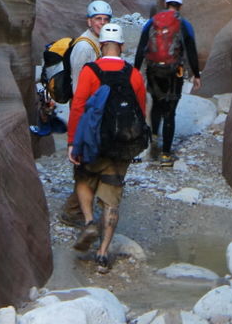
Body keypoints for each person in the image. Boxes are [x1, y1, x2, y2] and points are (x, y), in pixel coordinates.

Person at [67, 21, 147, 273]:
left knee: (83, 179)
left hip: (93, 143)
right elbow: (141, 110)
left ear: (101, 46)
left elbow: (78, 107)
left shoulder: (90, 72)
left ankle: (89, 220)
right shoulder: (133, 74)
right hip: (121, 146)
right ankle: (102, 254)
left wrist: (72, 142)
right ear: (122, 46)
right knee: (112, 200)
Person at [58, 0, 113, 225]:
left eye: (106, 19)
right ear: (89, 20)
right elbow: (78, 89)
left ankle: (82, 207)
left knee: (91, 160)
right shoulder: (83, 47)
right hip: (85, 113)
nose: (102, 23)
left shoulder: (98, 42)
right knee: (85, 161)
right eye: (98, 19)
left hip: (94, 112)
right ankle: (74, 211)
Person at [134, 0, 201, 166]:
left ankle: (155, 136)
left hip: (153, 70)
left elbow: (142, 47)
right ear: (180, 3)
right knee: (170, 112)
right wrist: (195, 73)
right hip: (174, 72)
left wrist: (135, 70)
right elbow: (191, 50)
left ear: (165, 2)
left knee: (156, 102)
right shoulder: (184, 24)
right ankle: (165, 155)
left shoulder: (152, 22)